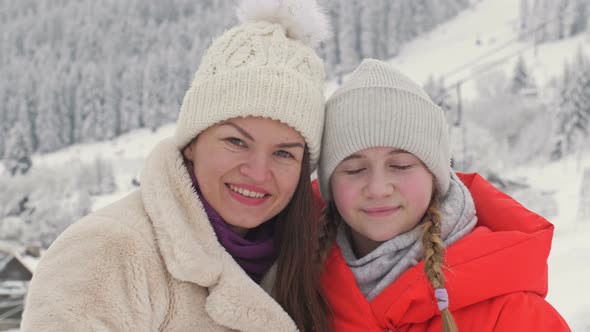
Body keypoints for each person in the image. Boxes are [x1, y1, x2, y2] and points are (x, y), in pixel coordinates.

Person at [21, 0, 332, 331]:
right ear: (193, 144)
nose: (257, 172)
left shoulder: (306, 263)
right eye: (236, 142)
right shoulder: (109, 251)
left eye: (284, 154)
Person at [316, 59, 571, 332]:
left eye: (400, 165)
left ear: (436, 177)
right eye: (354, 169)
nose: (378, 188)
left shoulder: (514, 316)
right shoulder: (295, 288)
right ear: (328, 183)